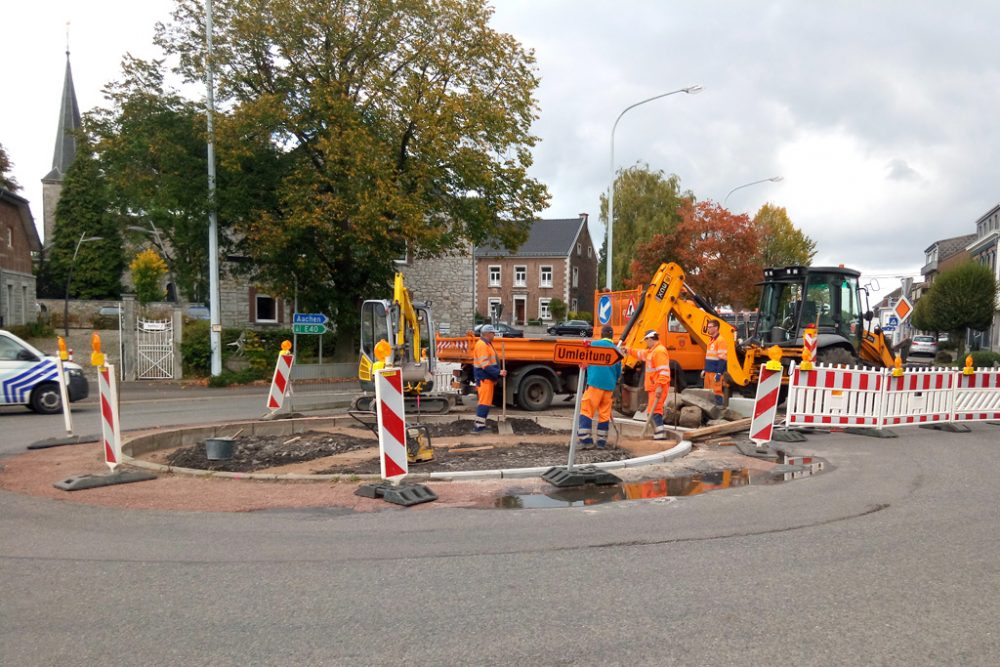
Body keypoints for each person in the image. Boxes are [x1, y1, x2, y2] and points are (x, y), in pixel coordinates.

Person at [577, 325, 623, 450]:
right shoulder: (616, 351)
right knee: (604, 414)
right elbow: (619, 373)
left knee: (587, 409)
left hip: (595, 384)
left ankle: (585, 439)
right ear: (612, 336)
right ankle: (601, 442)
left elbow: (583, 361)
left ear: (601, 334)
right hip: (609, 387)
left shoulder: (593, 345)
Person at [624, 329, 671, 440]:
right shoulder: (652, 351)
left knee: (655, 411)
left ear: (650, 339)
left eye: (646, 340)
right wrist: (628, 350)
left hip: (658, 387)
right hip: (654, 387)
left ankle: (660, 435)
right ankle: (658, 434)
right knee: (651, 411)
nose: (646, 343)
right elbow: (640, 353)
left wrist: (659, 386)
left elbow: (664, 371)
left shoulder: (659, 351)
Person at [471, 324, 506, 433]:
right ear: (487, 333)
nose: (494, 335)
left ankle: (480, 426)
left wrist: (495, 375)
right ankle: (478, 428)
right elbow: (485, 365)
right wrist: (498, 372)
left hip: (487, 378)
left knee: (485, 402)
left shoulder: (487, 344)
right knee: (484, 403)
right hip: (484, 378)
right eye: (492, 333)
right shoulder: (482, 345)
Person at [704, 319, 727, 406]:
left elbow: (723, 358)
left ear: (716, 328)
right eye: (708, 327)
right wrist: (705, 369)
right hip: (709, 371)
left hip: (715, 372)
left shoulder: (721, 341)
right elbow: (708, 357)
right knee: (707, 392)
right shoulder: (711, 340)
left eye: (710, 327)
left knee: (716, 391)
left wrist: (719, 373)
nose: (708, 329)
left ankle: (719, 410)